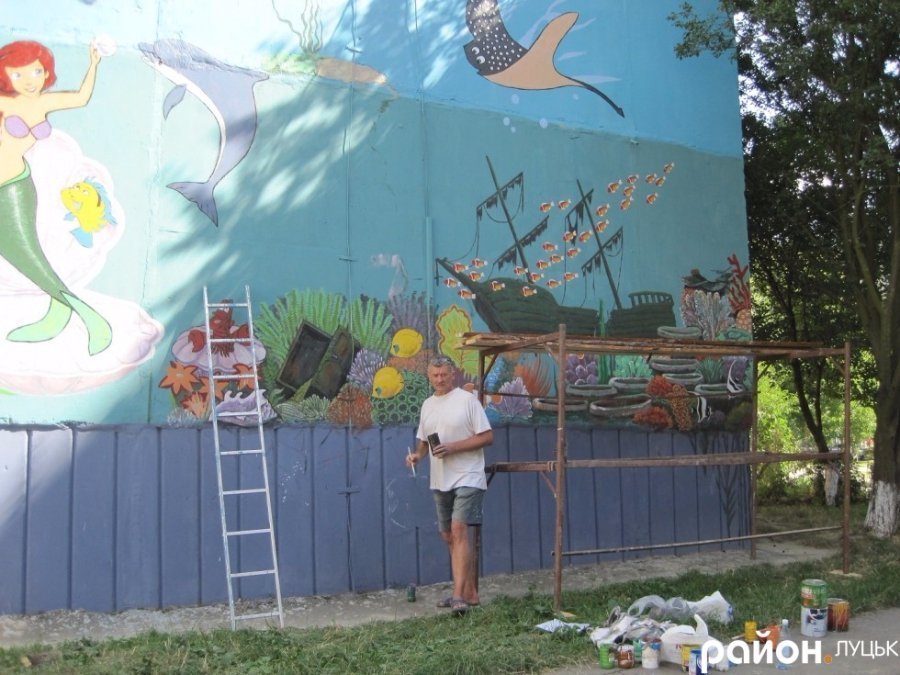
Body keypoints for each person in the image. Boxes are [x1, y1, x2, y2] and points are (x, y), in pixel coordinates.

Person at [0, 39, 112, 355]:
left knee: (30, 258)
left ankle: (87, 318)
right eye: (18, 73)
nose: (29, 80)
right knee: (29, 259)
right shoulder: (3, 102)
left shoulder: (43, 102)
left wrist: (93, 64)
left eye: (36, 71)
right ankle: (64, 312)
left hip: (16, 187)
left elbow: (81, 97)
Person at [406, 355, 494, 615]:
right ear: (429, 376)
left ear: (452, 374)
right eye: (435, 375)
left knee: (458, 529)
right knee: (448, 535)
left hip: (468, 474)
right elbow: (424, 441)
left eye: (443, 374)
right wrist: (417, 456)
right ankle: (470, 592)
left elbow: (487, 437)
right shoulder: (427, 405)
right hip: (440, 477)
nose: (439, 379)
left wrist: (453, 447)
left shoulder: (467, 400)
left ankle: (457, 597)